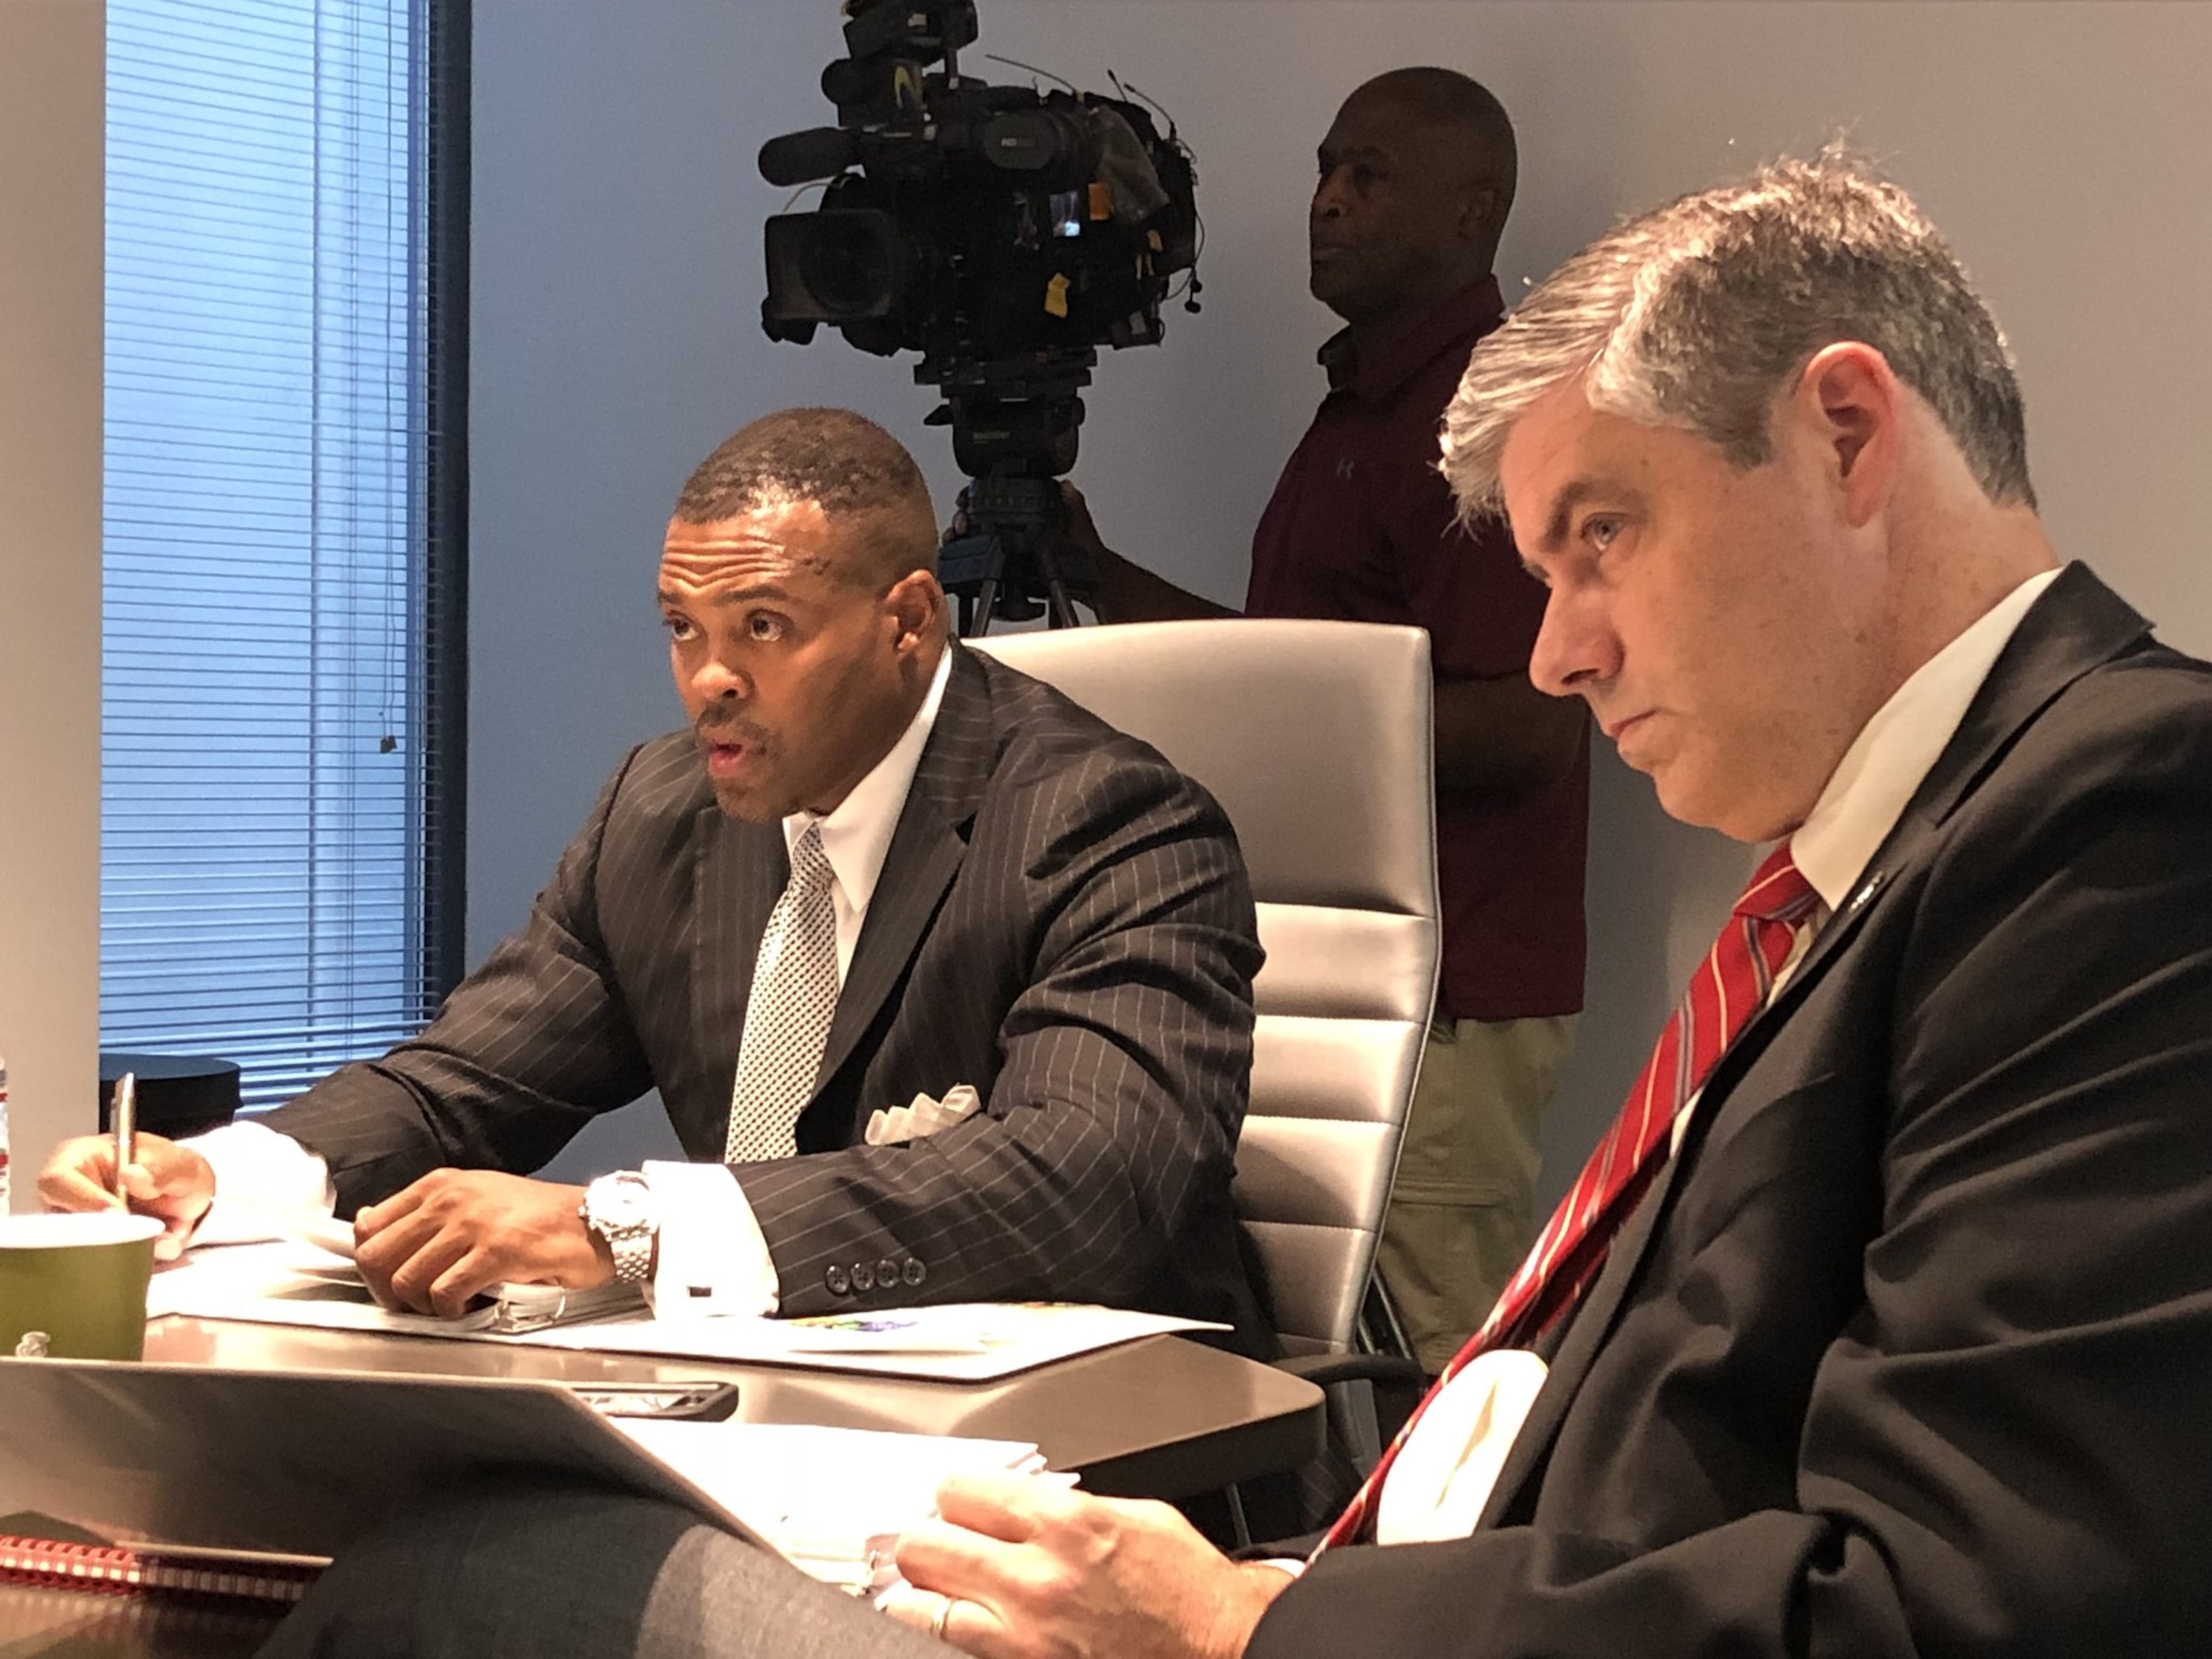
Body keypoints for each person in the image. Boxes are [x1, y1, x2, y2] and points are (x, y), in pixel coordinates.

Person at [260, 153, 2212, 1658]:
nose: (1550, 655)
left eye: (1596, 538)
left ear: (1848, 436)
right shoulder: (1886, 878)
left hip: (1314, 1622)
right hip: (1348, 1596)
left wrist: (1244, 1620)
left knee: (453, 1576)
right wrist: (235, 1181)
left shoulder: (2122, 819)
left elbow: (1956, 1609)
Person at [40, 407, 1267, 1347]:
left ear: (909, 622)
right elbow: (464, 1086)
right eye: (683, 628)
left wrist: (616, 1230)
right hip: (770, 1407)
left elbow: (1090, 1180)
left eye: (762, 629)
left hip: (1090, 1451)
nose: (708, 681)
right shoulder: (663, 809)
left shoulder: (1109, 821)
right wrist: (221, 1172)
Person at [1074, 67, 1589, 1371]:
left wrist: (1280, 730)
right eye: (1323, 169)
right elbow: (1297, 673)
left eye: (1368, 176)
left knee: (1423, 1379)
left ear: (1474, 208)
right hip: (1305, 974)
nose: (1326, 202)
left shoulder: (1486, 419)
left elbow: (1532, 723)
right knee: (1288, 1362)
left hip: (1445, 1000)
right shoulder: (1359, 409)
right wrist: (1095, 578)